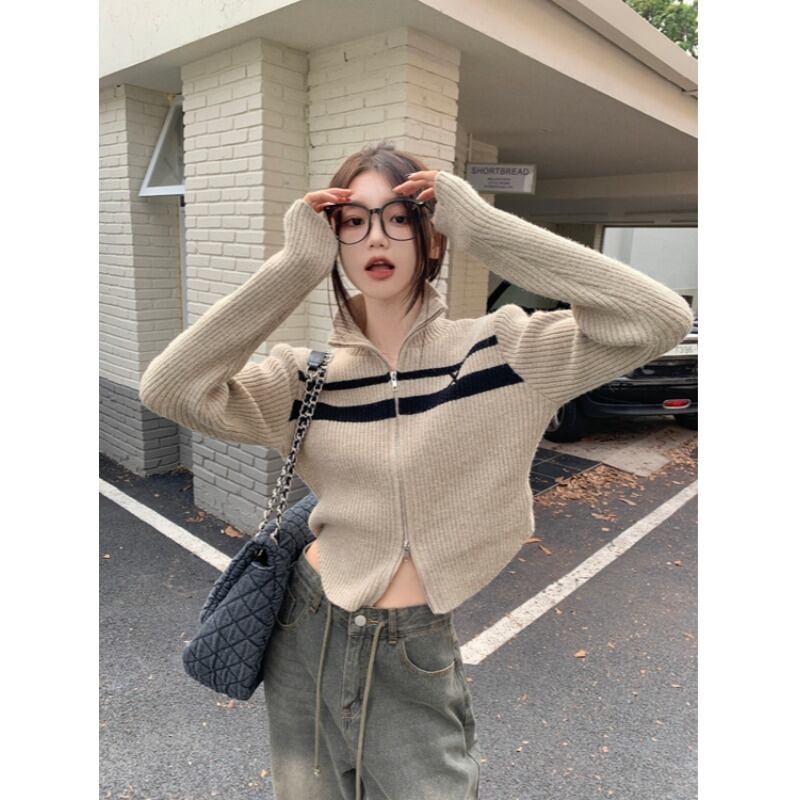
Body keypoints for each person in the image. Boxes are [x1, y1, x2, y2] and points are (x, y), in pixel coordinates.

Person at [139, 142, 694, 799]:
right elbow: (170, 389)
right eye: (353, 221)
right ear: (335, 243)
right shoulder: (305, 377)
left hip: (412, 641)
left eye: (399, 217)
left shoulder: (506, 349)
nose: (376, 237)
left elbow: (657, 318)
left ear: (431, 237)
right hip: (305, 625)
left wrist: (480, 226)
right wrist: (294, 266)